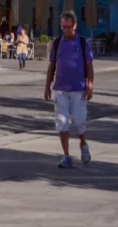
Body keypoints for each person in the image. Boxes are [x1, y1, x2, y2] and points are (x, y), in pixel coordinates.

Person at [45, 11, 94, 168]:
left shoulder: (83, 43)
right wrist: (47, 86)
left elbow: (89, 65)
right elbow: (52, 65)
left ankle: (83, 143)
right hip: (60, 89)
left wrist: (90, 85)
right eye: (63, 27)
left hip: (78, 89)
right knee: (62, 123)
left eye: (68, 27)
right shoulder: (57, 43)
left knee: (79, 121)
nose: (65, 30)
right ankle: (66, 155)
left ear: (75, 26)